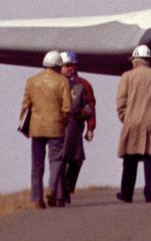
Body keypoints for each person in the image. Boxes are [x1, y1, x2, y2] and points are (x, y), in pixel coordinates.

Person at [116, 44, 151, 203]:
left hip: (132, 122)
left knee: (130, 160)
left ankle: (127, 194)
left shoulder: (127, 76)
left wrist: (125, 118)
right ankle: (150, 194)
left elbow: (121, 102)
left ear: (136, 59)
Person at [20, 50, 72, 209]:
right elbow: (67, 107)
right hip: (56, 127)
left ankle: (37, 199)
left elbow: (25, 105)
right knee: (56, 161)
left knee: (37, 165)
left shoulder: (31, 81)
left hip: (36, 128)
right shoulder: (62, 81)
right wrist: (63, 121)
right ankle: (51, 188)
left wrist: (26, 125)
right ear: (58, 65)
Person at [58, 51, 96, 205]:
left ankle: (67, 188)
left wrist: (90, 127)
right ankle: (60, 192)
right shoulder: (55, 83)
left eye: (72, 65)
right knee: (59, 159)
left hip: (75, 125)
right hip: (59, 124)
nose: (70, 69)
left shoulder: (83, 84)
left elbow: (91, 106)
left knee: (76, 160)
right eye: (67, 66)